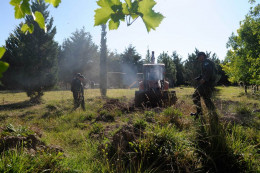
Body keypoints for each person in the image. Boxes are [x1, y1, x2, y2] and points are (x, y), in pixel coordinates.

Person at [190, 52, 217, 120]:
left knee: (195, 96)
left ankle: (200, 114)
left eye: (199, 57)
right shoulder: (207, 62)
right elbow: (206, 72)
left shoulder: (206, 62)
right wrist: (199, 77)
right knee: (206, 99)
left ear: (202, 56)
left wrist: (204, 79)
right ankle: (213, 114)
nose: (198, 59)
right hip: (208, 84)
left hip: (206, 84)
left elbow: (209, 71)